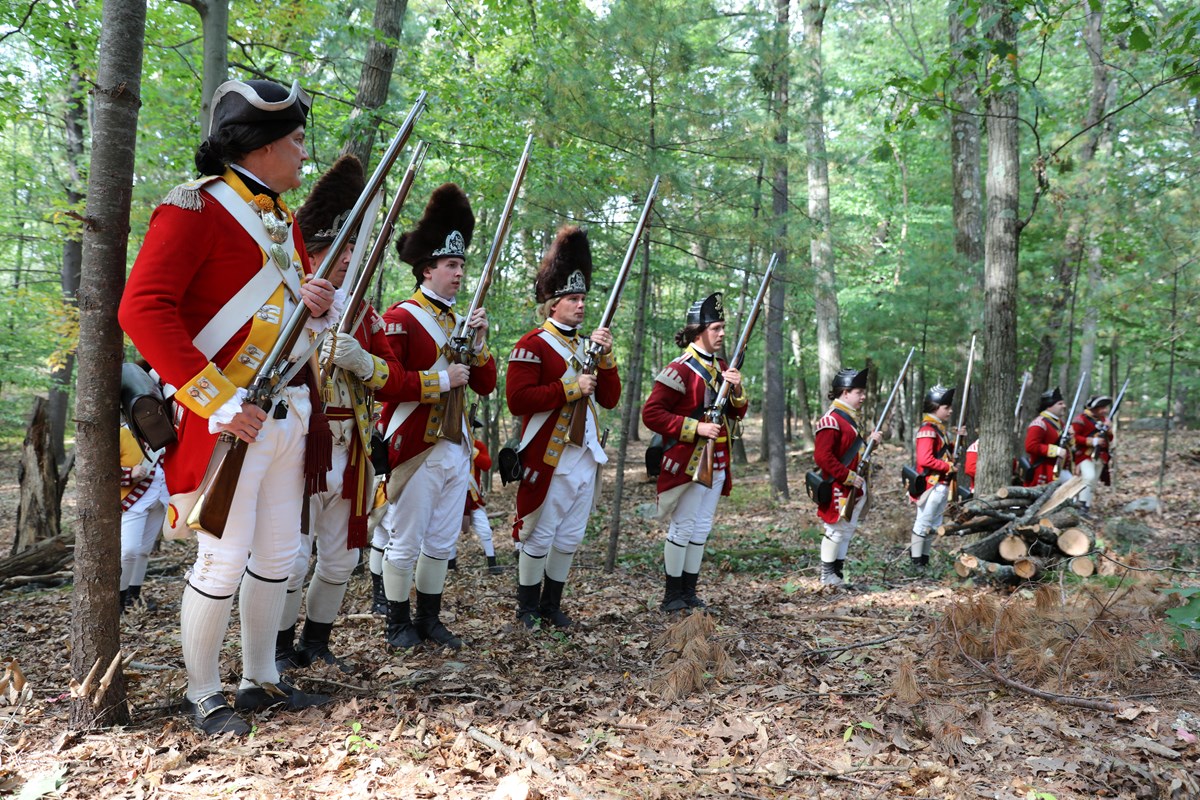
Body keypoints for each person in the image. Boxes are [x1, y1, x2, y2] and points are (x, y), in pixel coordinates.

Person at [119, 79, 338, 735]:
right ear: (263, 145)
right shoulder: (192, 209)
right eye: (296, 141)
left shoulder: (281, 220)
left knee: (279, 558)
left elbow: (284, 324)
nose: (304, 154)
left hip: (286, 412)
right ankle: (203, 693)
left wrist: (315, 311)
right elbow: (142, 310)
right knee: (221, 557)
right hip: (224, 421)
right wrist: (214, 398)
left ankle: (259, 681)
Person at [274, 155, 404, 673]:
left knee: (340, 559)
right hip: (301, 445)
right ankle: (278, 650)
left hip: (351, 452)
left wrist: (363, 360)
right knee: (288, 559)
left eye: (352, 248)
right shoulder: (288, 303)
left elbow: (393, 378)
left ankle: (317, 643)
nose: (349, 258)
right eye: (339, 248)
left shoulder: (363, 313)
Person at [376, 183, 496, 650]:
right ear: (427, 270)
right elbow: (386, 382)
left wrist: (481, 343)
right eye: (451, 265)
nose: (459, 273)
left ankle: (429, 618)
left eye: (462, 265)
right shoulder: (402, 318)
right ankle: (397, 623)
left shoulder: (460, 323)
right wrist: (440, 381)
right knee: (404, 540)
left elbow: (484, 386)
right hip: (414, 442)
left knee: (443, 542)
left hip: (455, 445)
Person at [506, 226, 619, 628]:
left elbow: (609, 398)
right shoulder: (532, 344)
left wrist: (605, 359)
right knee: (538, 534)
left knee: (569, 537)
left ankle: (552, 605)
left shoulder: (588, 345)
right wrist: (569, 388)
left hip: (583, 456)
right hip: (548, 453)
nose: (581, 305)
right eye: (573, 298)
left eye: (583, 298)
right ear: (553, 305)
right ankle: (527, 609)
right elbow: (517, 400)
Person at [641, 292, 747, 612]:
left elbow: (737, 413)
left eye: (723, 327)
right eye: (716, 328)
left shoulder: (723, 367)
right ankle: (672, 594)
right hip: (688, 461)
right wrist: (695, 428)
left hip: (716, 461)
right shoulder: (680, 369)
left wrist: (737, 389)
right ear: (698, 331)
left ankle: (689, 591)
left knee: (701, 527)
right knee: (684, 525)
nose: (722, 333)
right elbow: (652, 414)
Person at [812, 367, 883, 587]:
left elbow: (854, 452)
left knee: (846, 530)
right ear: (845, 392)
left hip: (852, 486)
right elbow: (822, 457)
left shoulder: (850, 419)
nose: (863, 397)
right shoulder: (832, 419)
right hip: (839, 486)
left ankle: (837, 575)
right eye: (858, 392)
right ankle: (827, 576)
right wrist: (847, 477)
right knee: (835, 530)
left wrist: (871, 443)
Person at [119, 421, 169, 612]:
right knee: (128, 551)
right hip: (134, 500)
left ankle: (133, 597)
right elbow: (100, 468)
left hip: (161, 499)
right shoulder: (122, 433)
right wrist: (129, 473)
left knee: (143, 551)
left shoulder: (164, 430)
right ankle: (118, 601)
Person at [909, 385, 957, 569]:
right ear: (936, 407)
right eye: (946, 407)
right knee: (922, 524)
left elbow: (942, 453)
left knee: (932, 525)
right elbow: (925, 459)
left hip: (941, 484)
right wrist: (947, 466)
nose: (950, 410)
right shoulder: (928, 429)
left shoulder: (939, 429)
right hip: (931, 484)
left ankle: (924, 561)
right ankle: (916, 564)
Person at [462, 425, 502, 574]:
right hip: (454, 498)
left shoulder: (477, 446)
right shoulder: (450, 444)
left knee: (485, 530)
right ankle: (449, 563)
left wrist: (473, 450)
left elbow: (486, 465)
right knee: (448, 532)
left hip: (473, 498)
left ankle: (492, 562)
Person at [1071, 395, 1113, 516]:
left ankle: (1086, 509)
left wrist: (1109, 430)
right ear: (1094, 408)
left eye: (1105, 407)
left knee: (1093, 483)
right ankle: (1080, 504)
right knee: (1088, 477)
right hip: (1084, 454)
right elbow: (1075, 438)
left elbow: (1110, 438)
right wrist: (1093, 441)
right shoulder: (1080, 419)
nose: (1104, 410)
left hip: (1100, 455)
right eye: (1102, 407)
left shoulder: (1104, 420)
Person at [1024, 387, 1069, 487]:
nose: (1064, 406)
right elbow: (1031, 446)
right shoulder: (1039, 423)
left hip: (1057, 469)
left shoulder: (1060, 423)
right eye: (1060, 404)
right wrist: (1056, 451)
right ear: (1049, 406)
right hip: (1042, 470)